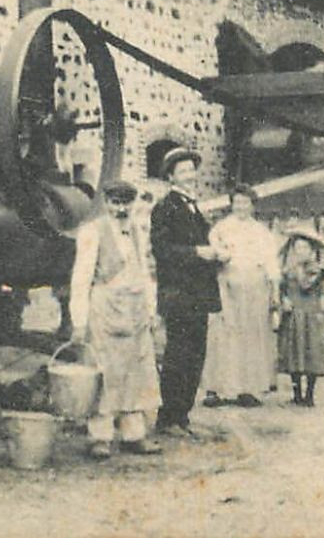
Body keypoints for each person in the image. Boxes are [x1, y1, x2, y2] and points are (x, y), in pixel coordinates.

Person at [68, 180, 163, 460]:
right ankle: (100, 436)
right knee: (104, 369)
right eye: (115, 203)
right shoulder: (92, 231)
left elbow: (145, 272)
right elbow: (81, 277)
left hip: (135, 307)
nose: (121, 209)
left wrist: (150, 308)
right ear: (106, 203)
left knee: (135, 369)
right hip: (105, 306)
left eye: (126, 203)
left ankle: (134, 434)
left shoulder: (137, 231)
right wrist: (79, 320)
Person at [149, 147, 226, 437]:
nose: (189, 175)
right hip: (179, 295)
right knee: (178, 356)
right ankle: (168, 418)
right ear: (171, 177)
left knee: (195, 356)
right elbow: (162, 250)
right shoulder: (165, 207)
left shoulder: (194, 207)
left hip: (198, 295)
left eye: (191, 170)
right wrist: (197, 252)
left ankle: (183, 415)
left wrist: (217, 254)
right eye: (182, 171)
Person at [200, 186, 279, 408]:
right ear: (231, 204)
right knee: (224, 334)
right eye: (237, 202)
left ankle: (248, 389)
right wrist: (220, 256)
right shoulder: (221, 228)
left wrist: (275, 291)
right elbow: (211, 251)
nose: (241, 207)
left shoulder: (261, 231)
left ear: (252, 205)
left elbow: (271, 263)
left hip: (254, 286)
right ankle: (218, 389)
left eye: (245, 202)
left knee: (251, 335)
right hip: (227, 284)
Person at [277, 232, 324, 407]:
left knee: (311, 353)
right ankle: (296, 394)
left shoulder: (316, 269)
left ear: (311, 251)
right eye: (297, 248)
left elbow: (305, 285)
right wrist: (283, 298)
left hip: (310, 316)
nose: (300, 251)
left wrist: (299, 267)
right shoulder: (288, 269)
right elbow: (282, 287)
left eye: (304, 247)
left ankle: (309, 394)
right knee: (294, 353)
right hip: (293, 316)